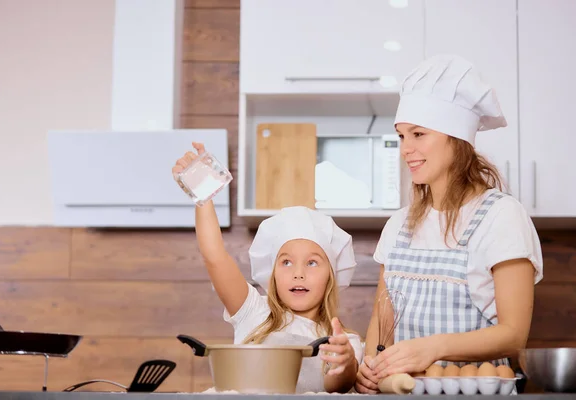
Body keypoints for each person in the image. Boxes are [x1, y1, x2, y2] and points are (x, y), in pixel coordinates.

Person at [354, 54, 544, 394]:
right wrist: (371, 368)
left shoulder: (500, 217)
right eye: (401, 136)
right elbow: (382, 322)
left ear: (456, 139)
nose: (405, 149)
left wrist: (433, 347)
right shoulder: (399, 225)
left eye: (418, 134)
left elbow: (515, 335)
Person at [172, 143, 363, 394]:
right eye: (286, 262)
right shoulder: (252, 311)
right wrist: (203, 196)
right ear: (272, 273)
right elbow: (215, 256)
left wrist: (344, 362)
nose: (298, 273)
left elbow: (336, 386)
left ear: (331, 275)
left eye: (312, 262)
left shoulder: (345, 341)